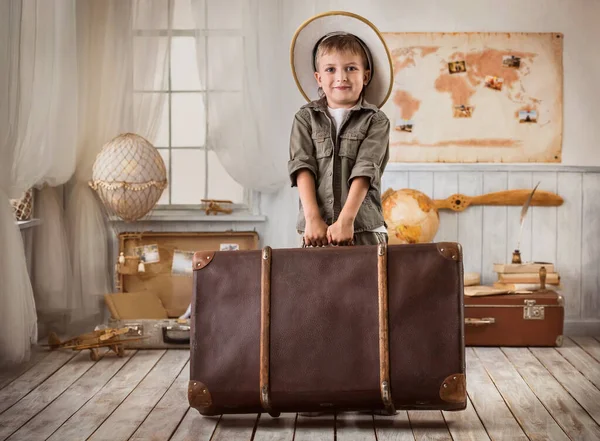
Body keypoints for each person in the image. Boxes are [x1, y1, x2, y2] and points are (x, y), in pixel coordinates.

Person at [288, 11, 394, 248]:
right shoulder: (305, 118)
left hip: (364, 229)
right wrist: (312, 219)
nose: (341, 77)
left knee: (370, 286)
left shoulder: (376, 120)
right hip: (316, 231)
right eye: (330, 69)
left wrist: (346, 220)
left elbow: (366, 169)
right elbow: (302, 166)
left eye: (351, 68)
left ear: (365, 76)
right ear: (318, 78)